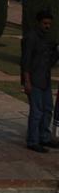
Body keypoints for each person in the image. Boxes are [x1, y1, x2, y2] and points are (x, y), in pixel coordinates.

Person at [21, 10, 59, 153]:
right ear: (38, 23)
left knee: (47, 109)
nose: (47, 26)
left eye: (49, 24)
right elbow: (25, 61)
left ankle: (44, 137)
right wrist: (27, 82)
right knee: (36, 112)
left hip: (45, 80)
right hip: (34, 81)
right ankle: (33, 141)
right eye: (45, 23)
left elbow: (49, 62)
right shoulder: (31, 38)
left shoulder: (46, 39)